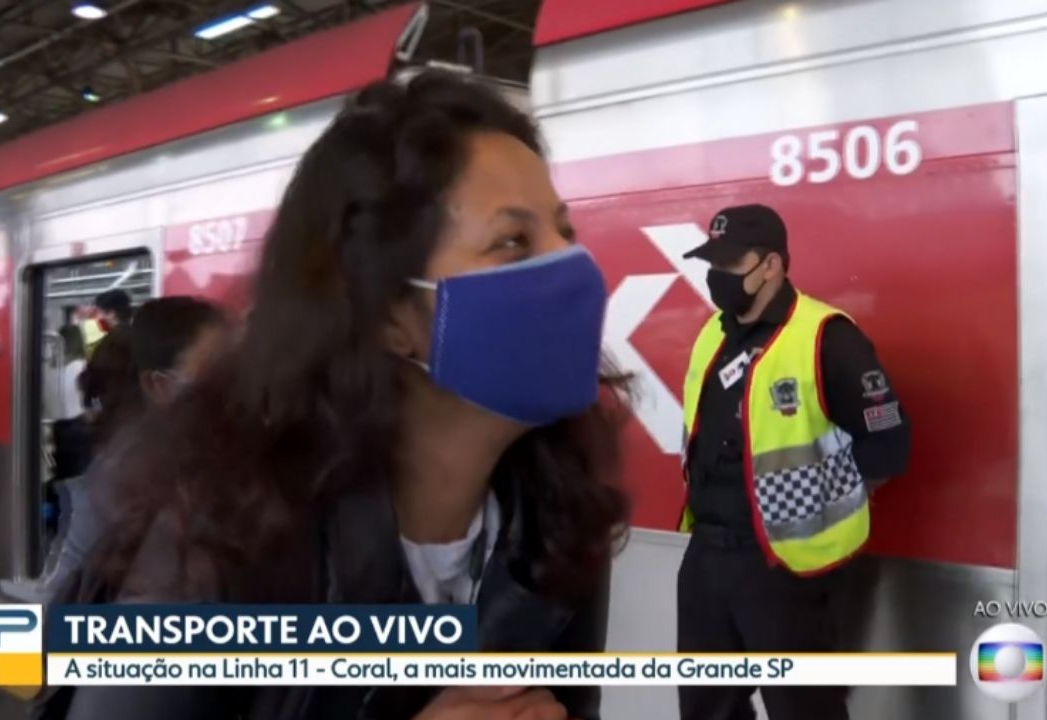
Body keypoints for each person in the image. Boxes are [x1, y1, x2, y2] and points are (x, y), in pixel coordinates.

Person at [45, 71, 628, 720]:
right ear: (388, 315)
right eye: (512, 242)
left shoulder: (557, 523)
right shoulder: (222, 537)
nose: (575, 268)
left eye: (565, 233)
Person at [674, 204, 911, 720]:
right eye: (713, 263)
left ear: (772, 265)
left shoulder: (827, 337)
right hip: (707, 557)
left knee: (804, 709)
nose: (718, 276)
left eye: (731, 263)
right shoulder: (712, 334)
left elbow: (887, 445)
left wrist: (815, 501)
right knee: (705, 707)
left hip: (788, 568)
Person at [39, 297, 226, 598]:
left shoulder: (226, 462)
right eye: (213, 375)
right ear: (157, 385)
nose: (232, 388)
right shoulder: (118, 479)